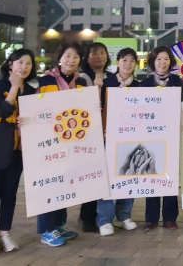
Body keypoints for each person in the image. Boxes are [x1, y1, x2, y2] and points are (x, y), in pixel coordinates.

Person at [0, 49, 36, 256]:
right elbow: (0, 111)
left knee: (10, 194)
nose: (24, 67)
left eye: (28, 63)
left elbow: (37, 117)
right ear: (10, 64)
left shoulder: (31, 91)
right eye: (20, 62)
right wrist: (14, 87)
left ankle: (5, 233)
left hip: (17, 149)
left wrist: (27, 121)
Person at [34, 42, 88, 247]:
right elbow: (37, 108)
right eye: (67, 56)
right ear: (60, 58)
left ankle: (59, 224)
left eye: (75, 57)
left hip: (70, 140)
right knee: (49, 184)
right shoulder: (46, 80)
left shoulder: (80, 82)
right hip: (48, 141)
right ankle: (47, 230)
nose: (71, 60)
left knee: (63, 183)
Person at [140, 45, 183, 230]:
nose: (162, 62)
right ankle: (150, 218)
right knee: (151, 174)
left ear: (171, 61)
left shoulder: (178, 82)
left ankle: (170, 217)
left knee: (170, 176)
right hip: (150, 137)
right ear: (153, 62)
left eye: (166, 59)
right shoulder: (144, 84)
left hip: (172, 136)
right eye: (158, 59)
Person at [96, 48, 140, 236]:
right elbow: (95, 108)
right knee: (106, 178)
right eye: (124, 60)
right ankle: (105, 220)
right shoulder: (106, 83)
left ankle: (124, 216)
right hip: (107, 138)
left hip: (131, 138)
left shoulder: (139, 86)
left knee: (129, 174)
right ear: (117, 62)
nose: (128, 64)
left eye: (131, 61)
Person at [77, 42, 115, 231]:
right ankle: (87, 216)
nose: (99, 56)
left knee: (104, 175)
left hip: (108, 132)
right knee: (90, 175)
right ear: (87, 57)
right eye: (94, 53)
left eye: (102, 52)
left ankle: (102, 215)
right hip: (89, 133)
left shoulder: (112, 78)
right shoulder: (82, 78)